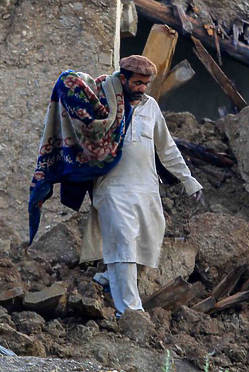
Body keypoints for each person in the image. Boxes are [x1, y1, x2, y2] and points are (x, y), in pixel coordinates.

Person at [80, 54, 203, 317]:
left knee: (142, 242)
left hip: (145, 186)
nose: (142, 88)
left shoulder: (151, 107)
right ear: (122, 79)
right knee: (123, 239)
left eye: (146, 83)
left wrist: (188, 179)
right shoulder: (102, 102)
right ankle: (129, 310)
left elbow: (167, 148)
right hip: (113, 186)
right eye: (137, 82)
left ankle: (109, 280)